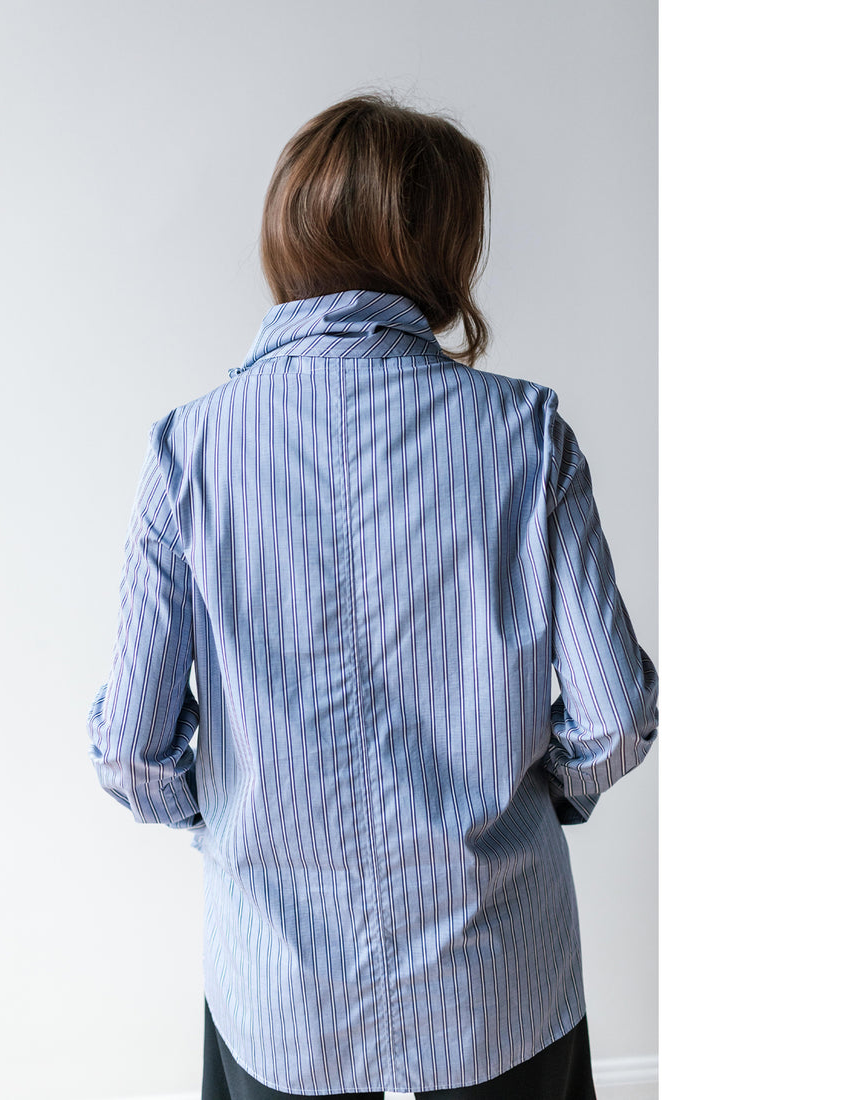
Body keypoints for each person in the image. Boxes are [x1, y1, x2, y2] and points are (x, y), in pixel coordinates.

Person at [87, 91, 658, 1100]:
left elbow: (131, 750)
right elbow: (615, 717)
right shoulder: (526, 437)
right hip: (496, 977)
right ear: (443, 247)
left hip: (282, 992)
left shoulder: (189, 452)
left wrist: (233, 813)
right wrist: (538, 793)